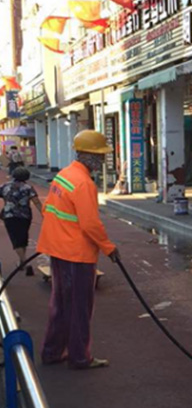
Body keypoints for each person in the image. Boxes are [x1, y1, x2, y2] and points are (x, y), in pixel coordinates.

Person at [37, 130, 121, 369]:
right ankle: (79, 357)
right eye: (100, 155)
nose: (102, 160)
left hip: (58, 250)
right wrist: (109, 248)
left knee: (61, 305)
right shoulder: (84, 183)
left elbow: (47, 209)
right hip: (76, 255)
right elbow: (90, 224)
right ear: (87, 155)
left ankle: (52, 352)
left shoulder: (64, 175)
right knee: (79, 309)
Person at [0, 167, 43, 276]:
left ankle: (25, 262)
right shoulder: (28, 188)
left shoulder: (5, 186)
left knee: (15, 239)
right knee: (23, 237)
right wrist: (44, 214)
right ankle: (22, 262)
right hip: (25, 216)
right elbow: (36, 202)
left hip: (9, 215)